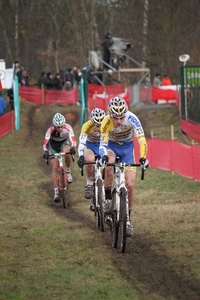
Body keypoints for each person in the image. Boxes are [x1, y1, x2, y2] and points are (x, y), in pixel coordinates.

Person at [99, 97, 148, 237]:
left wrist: (143, 157)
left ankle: (127, 219)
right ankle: (108, 198)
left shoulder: (132, 119)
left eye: (121, 117)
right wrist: (103, 156)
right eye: (116, 118)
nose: (119, 121)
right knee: (109, 163)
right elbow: (102, 145)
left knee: (130, 185)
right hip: (112, 147)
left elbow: (142, 139)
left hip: (127, 149)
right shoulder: (106, 122)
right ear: (110, 114)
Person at [43, 113, 76, 202]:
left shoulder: (68, 127)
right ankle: (56, 191)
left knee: (67, 152)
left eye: (61, 126)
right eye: (58, 127)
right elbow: (45, 143)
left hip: (63, 144)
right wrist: (46, 151)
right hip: (53, 146)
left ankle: (68, 170)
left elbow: (73, 140)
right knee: (55, 167)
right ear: (54, 126)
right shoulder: (50, 129)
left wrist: (73, 148)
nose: (60, 129)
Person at [77, 108, 106, 210]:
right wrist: (81, 155)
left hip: (103, 147)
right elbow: (81, 143)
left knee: (107, 169)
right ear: (92, 123)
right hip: (91, 147)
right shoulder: (86, 126)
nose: (99, 128)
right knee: (89, 159)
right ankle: (89, 183)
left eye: (101, 125)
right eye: (97, 125)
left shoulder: (107, 124)